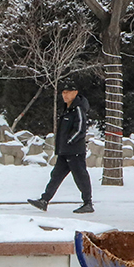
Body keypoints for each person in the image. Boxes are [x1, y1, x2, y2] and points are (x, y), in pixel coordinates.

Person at [29, 81, 94, 214]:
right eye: (63, 93)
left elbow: (80, 129)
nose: (64, 95)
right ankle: (44, 200)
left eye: (67, 92)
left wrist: (69, 142)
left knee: (80, 176)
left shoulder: (78, 109)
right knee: (56, 176)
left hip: (74, 151)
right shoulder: (67, 109)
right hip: (65, 152)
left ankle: (88, 203)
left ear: (75, 93)